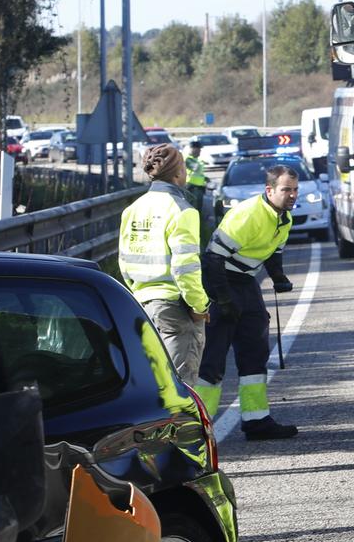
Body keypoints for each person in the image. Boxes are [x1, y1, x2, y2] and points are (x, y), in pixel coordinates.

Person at [196, 165, 298, 439]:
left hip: (244, 283)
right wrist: (224, 300)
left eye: (294, 190)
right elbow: (212, 259)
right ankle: (199, 431)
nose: (292, 195)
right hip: (219, 282)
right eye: (286, 189)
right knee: (213, 360)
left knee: (255, 351)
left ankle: (256, 421)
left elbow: (273, 251)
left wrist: (278, 276)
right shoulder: (248, 214)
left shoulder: (283, 218)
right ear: (269, 190)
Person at [117, 145, 210, 392]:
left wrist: (139, 292)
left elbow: (124, 262)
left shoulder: (133, 209)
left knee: (153, 386)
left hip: (141, 306)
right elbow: (186, 267)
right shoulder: (182, 210)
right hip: (175, 307)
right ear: (179, 173)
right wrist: (199, 306)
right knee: (180, 389)